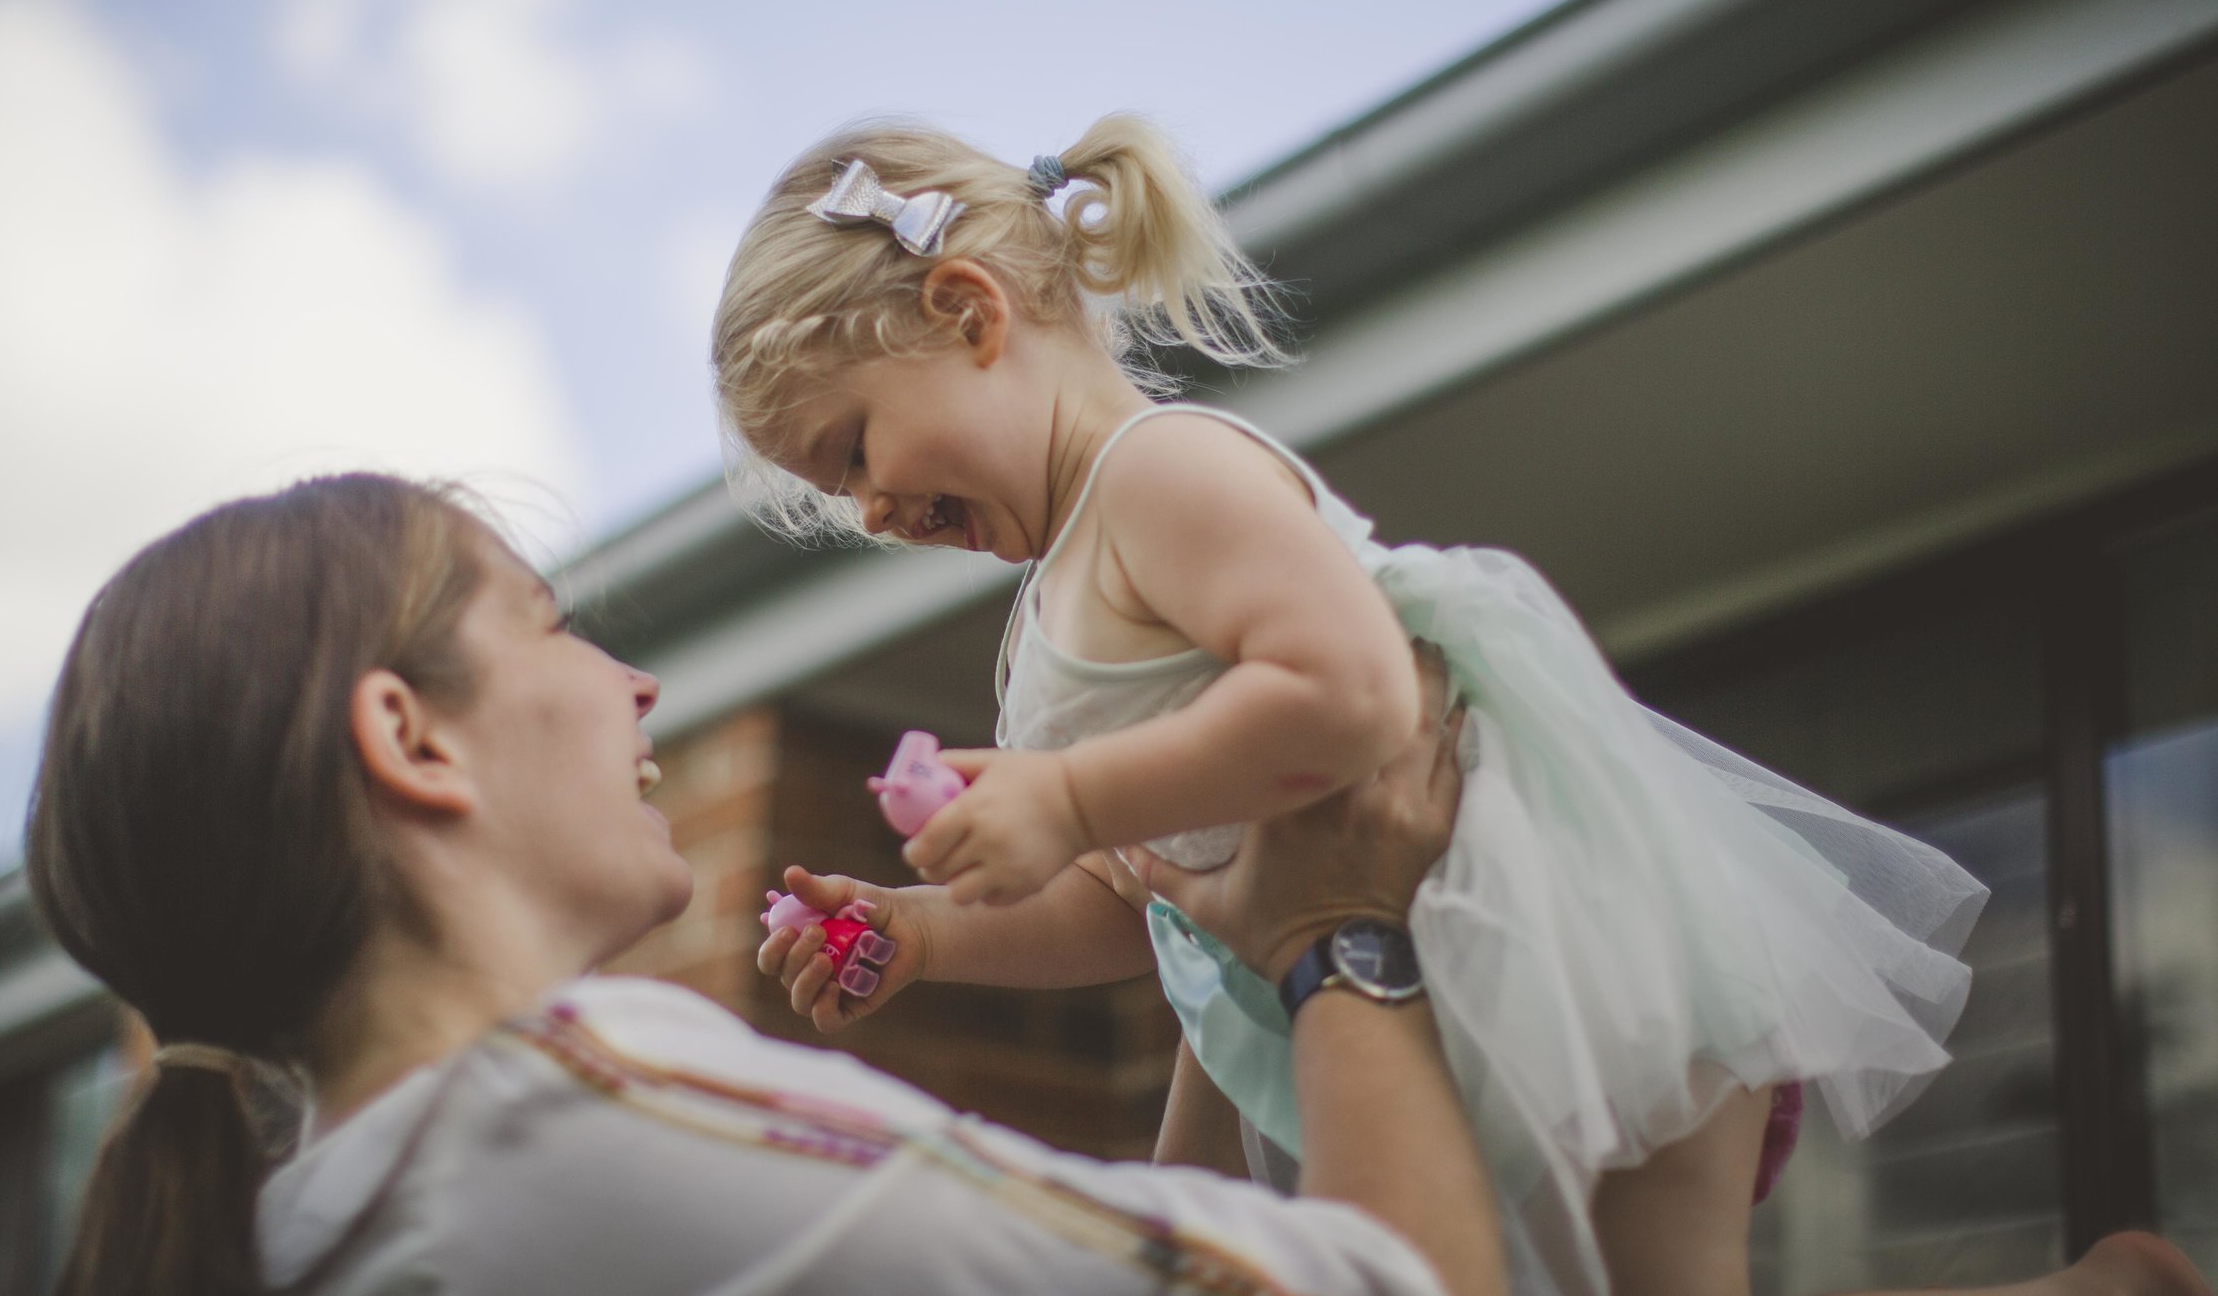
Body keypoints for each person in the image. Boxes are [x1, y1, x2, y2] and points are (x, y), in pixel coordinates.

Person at [708, 117, 2200, 1296]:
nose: (873, 511)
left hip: (1571, 958)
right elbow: (1137, 900)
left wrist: (1075, 792)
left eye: (852, 450)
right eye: (839, 494)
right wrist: (927, 932)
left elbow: (1355, 693)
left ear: (969, 311)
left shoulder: (1165, 477)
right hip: (1366, 1002)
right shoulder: (1054, 597)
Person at [24, 472, 1507, 1296]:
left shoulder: (319, 1216)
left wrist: (1202, 945)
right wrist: (1341, 935)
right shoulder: (599, 1129)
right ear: (410, 738)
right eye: (550, 628)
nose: (636, 681)